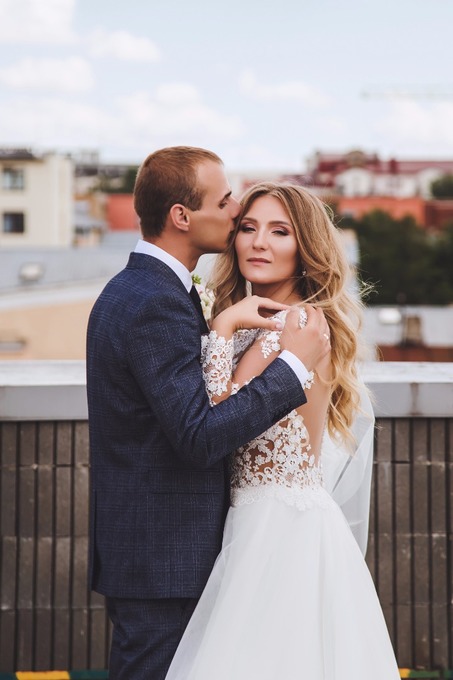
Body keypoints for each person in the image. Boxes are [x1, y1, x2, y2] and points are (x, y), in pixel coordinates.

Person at [86, 148, 330, 680]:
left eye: (278, 231)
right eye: (226, 203)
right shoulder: (154, 301)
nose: (235, 212)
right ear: (181, 216)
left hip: (201, 549)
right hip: (164, 560)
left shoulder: (149, 291)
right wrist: (290, 368)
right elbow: (199, 433)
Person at [165, 182, 400, 679]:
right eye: (248, 228)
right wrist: (230, 325)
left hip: (278, 529)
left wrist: (221, 327)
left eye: (279, 232)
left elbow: (218, 418)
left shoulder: (300, 327)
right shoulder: (261, 323)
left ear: (304, 246)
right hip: (252, 520)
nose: (258, 243)